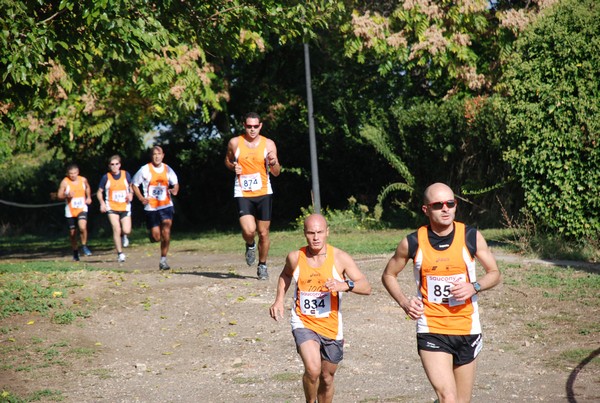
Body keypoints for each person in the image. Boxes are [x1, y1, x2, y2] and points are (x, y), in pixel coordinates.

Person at [381, 182, 501, 403]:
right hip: (431, 328)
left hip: (466, 327)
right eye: (438, 205)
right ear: (426, 209)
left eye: (450, 203)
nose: (446, 209)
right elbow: (388, 275)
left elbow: (494, 273)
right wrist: (405, 303)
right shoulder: (413, 242)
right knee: (449, 397)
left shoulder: (471, 237)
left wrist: (473, 286)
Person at [269, 213, 371, 403]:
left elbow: (366, 286)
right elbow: (285, 275)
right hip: (303, 321)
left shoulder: (340, 258)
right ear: (304, 234)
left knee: (326, 377)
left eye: (319, 232)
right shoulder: (295, 257)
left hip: (331, 325)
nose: (315, 237)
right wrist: (278, 300)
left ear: (327, 232)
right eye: (310, 233)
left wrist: (345, 285)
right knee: (313, 370)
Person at [225, 112, 281, 280]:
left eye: (255, 126)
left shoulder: (268, 144)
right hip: (243, 192)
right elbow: (227, 161)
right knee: (249, 230)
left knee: (263, 233)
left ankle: (262, 265)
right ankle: (250, 245)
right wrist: (232, 167)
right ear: (244, 126)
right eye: (249, 126)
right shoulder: (235, 142)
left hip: (264, 192)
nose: (252, 129)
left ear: (260, 126)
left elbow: (276, 172)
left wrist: (273, 163)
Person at [132, 146, 179, 270]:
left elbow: (176, 184)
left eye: (159, 154)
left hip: (166, 205)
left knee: (166, 232)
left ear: (163, 155)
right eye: (154, 154)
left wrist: (174, 190)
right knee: (157, 236)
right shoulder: (144, 169)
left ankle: (163, 260)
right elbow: (134, 185)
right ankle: (153, 236)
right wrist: (142, 198)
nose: (157, 156)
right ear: (151, 156)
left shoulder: (168, 169)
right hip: (151, 207)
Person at [97, 155, 133, 263]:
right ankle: (120, 254)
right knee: (116, 228)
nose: (115, 166)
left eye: (117, 164)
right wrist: (102, 203)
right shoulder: (106, 177)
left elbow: (131, 188)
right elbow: (99, 192)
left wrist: (131, 194)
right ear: (109, 166)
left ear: (120, 165)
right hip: (111, 207)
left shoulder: (126, 174)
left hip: (124, 206)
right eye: (112, 164)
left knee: (126, 230)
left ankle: (124, 235)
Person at [57, 163, 93, 261]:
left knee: (82, 227)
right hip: (70, 210)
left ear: (78, 172)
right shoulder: (65, 182)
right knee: (73, 233)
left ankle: (84, 246)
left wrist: (89, 197)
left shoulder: (83, 180)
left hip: (82, 208)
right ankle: (75, 253)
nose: (73, 175)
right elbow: (59, 195)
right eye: (71, 174)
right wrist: (67, 195)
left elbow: (88, 187)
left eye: (75, 173)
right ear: (68, 174)